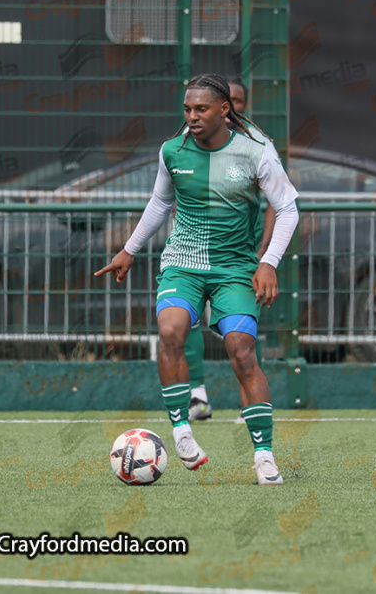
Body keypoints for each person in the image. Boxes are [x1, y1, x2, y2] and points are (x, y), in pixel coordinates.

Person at [96, 74, 299, 484]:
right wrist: (129, 250)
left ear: (225, 109)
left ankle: (264, 456)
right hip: (182, 263)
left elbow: (289, 208)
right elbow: (160, 203)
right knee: (170, 330)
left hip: (235, 269)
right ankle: (182, 432)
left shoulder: (257, 151)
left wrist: (269, 262)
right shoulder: (173, 151)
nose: (192, 116)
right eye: (187, 109)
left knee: (242, 350)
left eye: (201, 109)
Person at [187, 75, 276, 422]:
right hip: (198, 251)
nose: (234, 108)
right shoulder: (190, 142)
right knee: (186, 319)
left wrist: (264, 254)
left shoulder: (257, 144)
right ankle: (197, 396)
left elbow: (278, 203)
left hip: (244, 253)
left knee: (243, 329)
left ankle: (251, 405)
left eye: (239, 101)